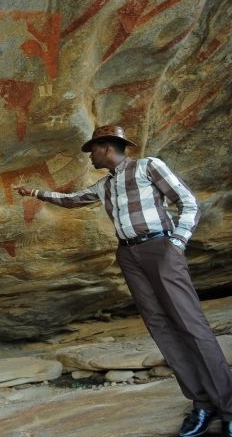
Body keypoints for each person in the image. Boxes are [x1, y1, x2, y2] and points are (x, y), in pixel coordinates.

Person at [14, 124, 232, 437]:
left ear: (107, 146)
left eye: (92, 150)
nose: (90, 157)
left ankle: (228, 407)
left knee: (191, 324)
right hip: (129, 255)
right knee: (160, 327)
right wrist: (36, 193)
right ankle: (201, 403)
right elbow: (72, 199)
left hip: (161, 248)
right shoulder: (104, 186)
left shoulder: (148, 166)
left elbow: (188, 201)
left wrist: (176, 244)